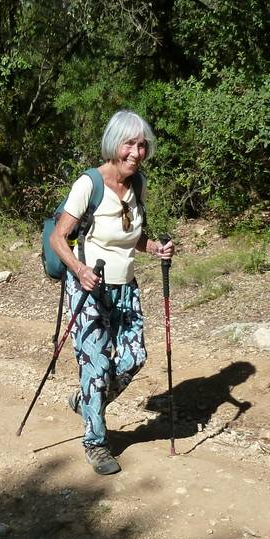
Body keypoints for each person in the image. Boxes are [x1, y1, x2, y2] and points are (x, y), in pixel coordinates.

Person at [48, 110, 174, 475]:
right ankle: (95, 442)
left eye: (142, 145)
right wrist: (80, 270)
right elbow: (59, 237)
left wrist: (155, 249)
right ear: (113, 144)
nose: (136, 152)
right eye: (129, 144)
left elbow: (133, 238)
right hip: (89, 289)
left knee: (134, 357)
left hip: (126, 289)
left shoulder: (138, 185)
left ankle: (88, 400)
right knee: (97, 365)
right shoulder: (89, 184)